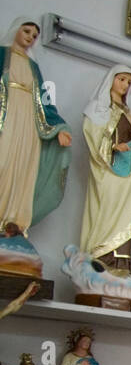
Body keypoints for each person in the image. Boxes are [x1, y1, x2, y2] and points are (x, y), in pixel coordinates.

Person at [0, 19, 72, 259]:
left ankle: (12, 224)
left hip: (28, 127)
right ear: (16, 30)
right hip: (6, 120)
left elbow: (44, 102)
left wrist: (59, 127)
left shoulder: (33, 67)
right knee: (4, 164)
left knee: (22, 172)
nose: (30, 37)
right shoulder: (2, 55)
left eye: (34, 35)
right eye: (27, 31)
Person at [80, 64, 131, 278]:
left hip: (129, 172)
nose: (125, 85)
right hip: (109, 172)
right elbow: (91, 134)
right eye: (121, 79)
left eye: (129, 82)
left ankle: (122, 266)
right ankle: (101, 257)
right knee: (108, 211)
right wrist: (111, 147)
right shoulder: (98, 108)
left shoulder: (130, 114)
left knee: (127, 217)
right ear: (111, 79)